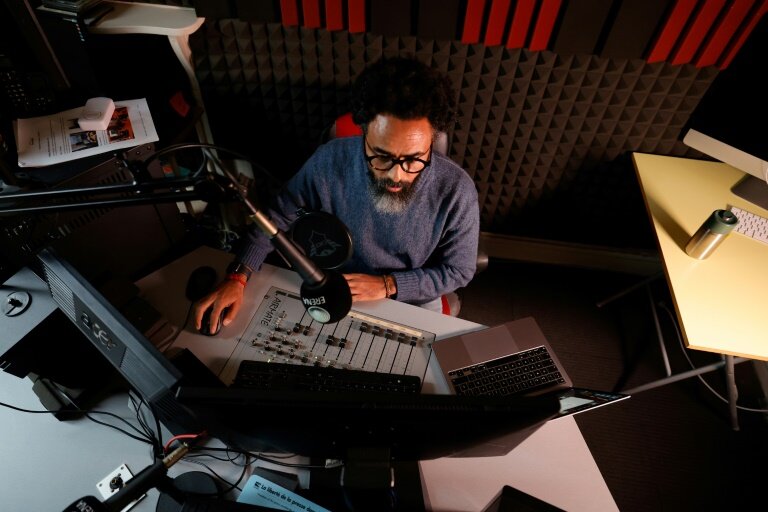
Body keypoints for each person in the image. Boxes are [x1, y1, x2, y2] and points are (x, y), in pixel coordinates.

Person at [194, 56, 480, 333]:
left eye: (414, 159)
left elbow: (458, 271)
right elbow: (276, 217)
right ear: (364, 133)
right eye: (381, 156)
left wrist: (388, 284)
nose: (397, 175)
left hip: (411, 291)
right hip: (335, 281)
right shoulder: (329, 161)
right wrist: (238, 275)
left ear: (432, 140)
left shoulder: (458, 191)